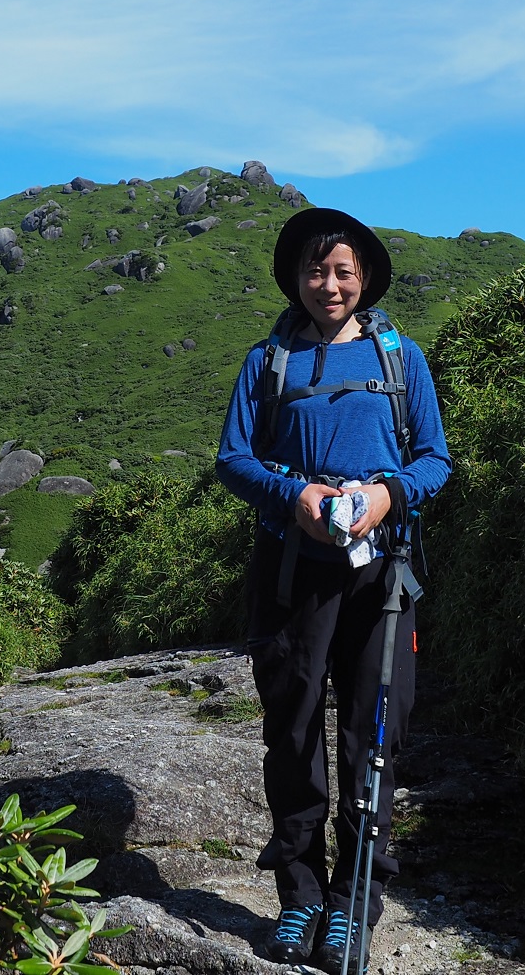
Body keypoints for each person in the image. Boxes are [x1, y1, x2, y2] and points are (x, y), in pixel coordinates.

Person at [215, 208, 451, 972]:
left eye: (344, 271)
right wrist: (299, 500)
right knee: (291, 731)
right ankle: (300, 896)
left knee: (373, 737)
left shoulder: (399, 357)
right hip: (291, 574)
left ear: (366, 278)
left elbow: (435, 460)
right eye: (317, 271)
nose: (330, 284)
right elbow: (233, 460)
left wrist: (386, 498)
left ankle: (356, 899)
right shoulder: (268, 361)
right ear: (296, 278)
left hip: (382, 573)